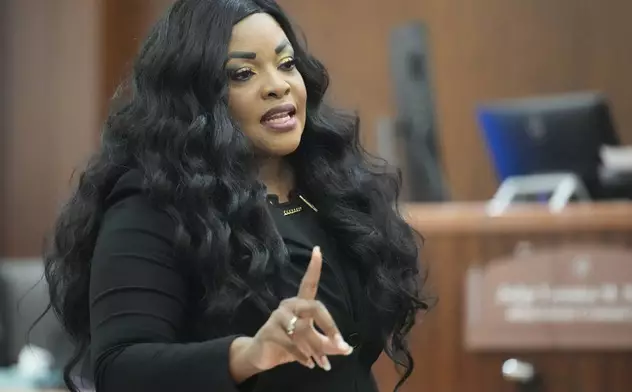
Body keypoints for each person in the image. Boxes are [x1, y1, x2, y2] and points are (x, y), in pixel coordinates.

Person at [43, 0, 431, 391]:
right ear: (196, 96)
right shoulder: (154, 202)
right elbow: (120, 367)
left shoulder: (335, 189)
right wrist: (247, 355)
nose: (278, 85)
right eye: (244, 73)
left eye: (286, 64)